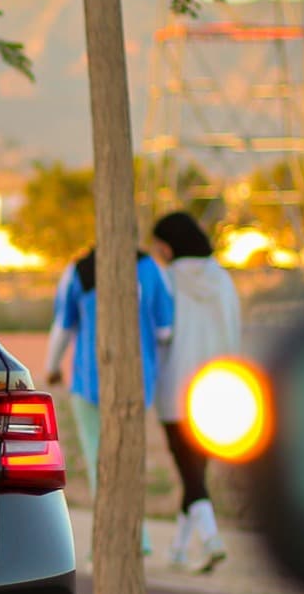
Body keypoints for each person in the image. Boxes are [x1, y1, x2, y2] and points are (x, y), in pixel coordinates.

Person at [45, 244, 176, 554]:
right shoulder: (148, 269)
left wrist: (51, 367)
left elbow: (63, 326)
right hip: (136, 382)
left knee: (97, 459)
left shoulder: (80, 270)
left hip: (89, 380)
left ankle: (105, 541)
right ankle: (137, 538)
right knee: (130, 457)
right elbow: (165, 330)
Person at [149, 211, 244, 571]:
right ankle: (177, 549)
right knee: (196, 468)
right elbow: (234, 328)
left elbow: (162, 331)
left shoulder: (168, 280)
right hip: (218, 386)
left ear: (170, 245)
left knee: (188, 469)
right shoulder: (222, 280)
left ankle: (211, 538)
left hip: (177, 386)